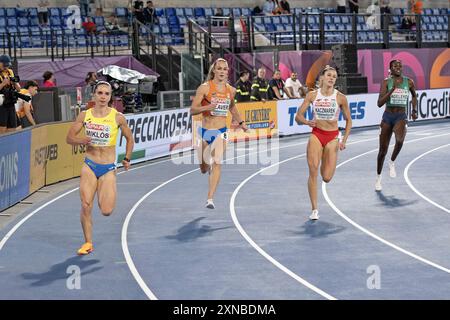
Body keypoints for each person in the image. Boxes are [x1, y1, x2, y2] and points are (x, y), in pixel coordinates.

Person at [66, 81, 134, 255]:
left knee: (106, 211)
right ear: (94, 95)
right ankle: (88, 242)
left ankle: (106, 191)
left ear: (110, 97)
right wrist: (82, 140)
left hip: (108, 167)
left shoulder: (117, 117)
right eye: (100, 93)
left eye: (107, 94)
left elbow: (129, 139)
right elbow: (70, 138)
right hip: (89, 164)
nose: (103, 97)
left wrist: (126, 158)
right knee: (86, 205)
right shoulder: (84, 115)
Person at [295, 65, 352, 220]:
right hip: (317, 134)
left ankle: (325, 159)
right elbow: (297, 116)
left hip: (333, 137)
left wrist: (344, 140)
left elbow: (349, 121)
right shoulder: (313, 95)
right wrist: (307, 122)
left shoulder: (340, 97)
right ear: (322, 78)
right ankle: (314, 209)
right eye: (329, 75)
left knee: (326, 177)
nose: (332, 78)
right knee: (313, 170)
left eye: (334, 76)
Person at [190, 58, 248, 209]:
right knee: (203, 168)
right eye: (219, 68)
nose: (222, 71)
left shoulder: (231, 90)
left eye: (225, 69)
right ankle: (205, 167)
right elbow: (193, 110)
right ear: (214, 70)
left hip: (222, 131)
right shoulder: (204, 88)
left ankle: (210, 198)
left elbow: (232, 107)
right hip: (205, 132)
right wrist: (208, 106)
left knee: (217, 162)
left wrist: (241, 123)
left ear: (228, 71)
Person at [375, 60, 417, 191]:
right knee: (382, 151)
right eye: (395, 66)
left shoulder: (409, 82)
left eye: (400, 66)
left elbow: (414, 96)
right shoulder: (386, 82)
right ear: (390, 69)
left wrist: (414, 110)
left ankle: (392, 162)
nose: (398, 68)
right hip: (387, 117)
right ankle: (378, 178)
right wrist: (391, 91)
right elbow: (379, 103)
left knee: (399, 141)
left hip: (401, 116)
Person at [0, 55, 20, 134]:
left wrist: (15, 83)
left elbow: (18, 88)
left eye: (7, 65)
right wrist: (3, 84)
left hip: (11, 103)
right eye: (4, 65)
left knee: (12, 129)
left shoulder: (10, 72)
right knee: (2, 129)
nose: (6, 67)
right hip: (1, 105)